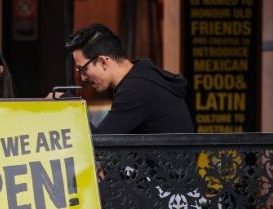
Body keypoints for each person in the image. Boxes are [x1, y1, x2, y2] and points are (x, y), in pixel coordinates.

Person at [65, 23, 193, 134]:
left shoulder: (135, 90)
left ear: (103, 62)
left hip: (168, 162)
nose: (82, 78)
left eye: (83, 69)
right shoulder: (141, 74)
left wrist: (69, 107)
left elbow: (99, 147)